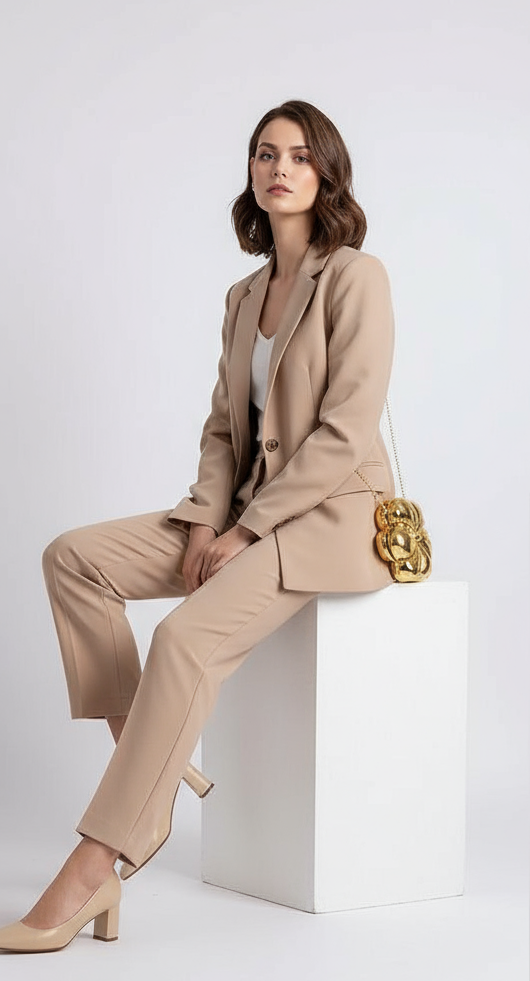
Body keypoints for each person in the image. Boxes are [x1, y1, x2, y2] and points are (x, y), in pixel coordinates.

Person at [0, 98, 397, 953]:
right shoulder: (243, 293)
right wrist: (205, 520)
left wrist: (247, 531)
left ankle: (99, 861)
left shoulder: (356, 277)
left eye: (297, 155)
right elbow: (223, 428)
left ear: (325, 173)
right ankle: (143, 737)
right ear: (251, 174)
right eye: (264, 154)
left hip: (329, 518)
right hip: (244, 507)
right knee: (73, 557)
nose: (278, 168)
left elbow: (345, 431)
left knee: (182, 639)